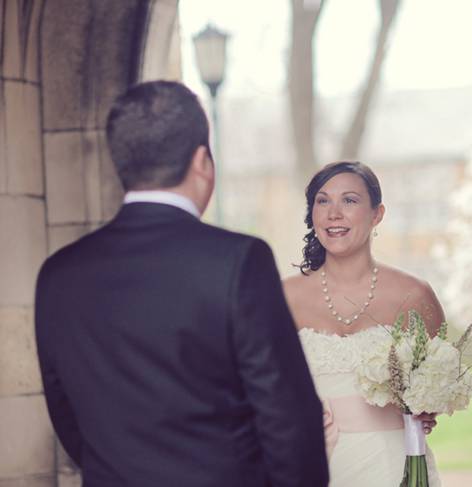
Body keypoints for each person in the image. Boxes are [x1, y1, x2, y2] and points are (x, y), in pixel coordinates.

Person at [34, 81, 328, 487]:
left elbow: (65, 414)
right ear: (202, 161)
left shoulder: (58, 274)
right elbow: (289, 418)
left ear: (122, 164)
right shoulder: (238, 261)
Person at [282, 161, 443, 486]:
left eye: (350, 200)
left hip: (394, 463)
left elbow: (439, 381)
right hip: (312, 463)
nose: (333, 213)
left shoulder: (414, 295)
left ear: (377, 214)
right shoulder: (283, 296)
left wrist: (429, 408)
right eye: (323, 201)